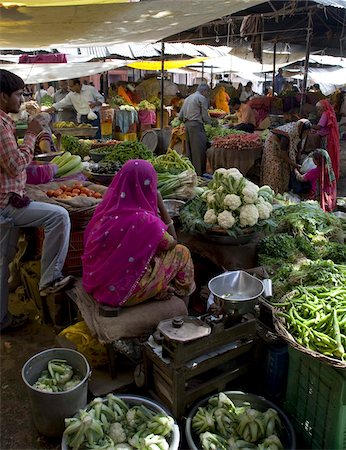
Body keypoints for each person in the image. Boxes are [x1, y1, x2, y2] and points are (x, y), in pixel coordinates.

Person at [0, 69, 73, 332]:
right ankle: (49, 279)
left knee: (3, 259)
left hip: (7, 200)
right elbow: (16, 165)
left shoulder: (5, 122)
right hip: (6, 204)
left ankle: (3, 317)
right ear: (3, 95)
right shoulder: (1, 125)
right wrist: (31, 133)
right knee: (59, 216)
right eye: (18, 94)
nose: (21, 100)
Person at [82, 159, 195, 307]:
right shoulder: (146, 221)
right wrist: (160, 204)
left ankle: (158, 290)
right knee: (182, 253)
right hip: (121, 293)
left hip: (97, 282)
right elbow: (172, 242)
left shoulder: (106, 213)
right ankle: (183, 307)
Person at [260, 119, 312, 193]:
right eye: (305, 133)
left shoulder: (297, 131)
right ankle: (272, 190)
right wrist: (295, 165)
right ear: (301, 130)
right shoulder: (287, 134)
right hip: (273, 144)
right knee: (275, 167)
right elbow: (283, 155)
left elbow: (298, 144)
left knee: (285, 166)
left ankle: (282, 189)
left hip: (282, 146)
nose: (305, 135)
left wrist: (298, 156)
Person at [178, 83, 212, 175]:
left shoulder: (188, 98)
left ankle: (190, 172)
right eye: (207, 92)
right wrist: (212, 123)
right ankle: (199, 173)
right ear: (204, 91)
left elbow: (180, 116)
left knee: (190, 151)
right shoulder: (202, 98)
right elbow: (205, 116)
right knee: (199, 150)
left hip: (187, 126)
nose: (207, 94)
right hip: (196, 126)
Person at [313, 99, 340, 180]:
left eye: (319, 109)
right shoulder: (329, 113)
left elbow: (319, 127)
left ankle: (325, 175)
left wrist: (309, 124)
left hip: (326, 139)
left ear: (323, 108)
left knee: (324, 157)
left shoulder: (325, 114)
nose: (318, 112)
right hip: (328, 137)